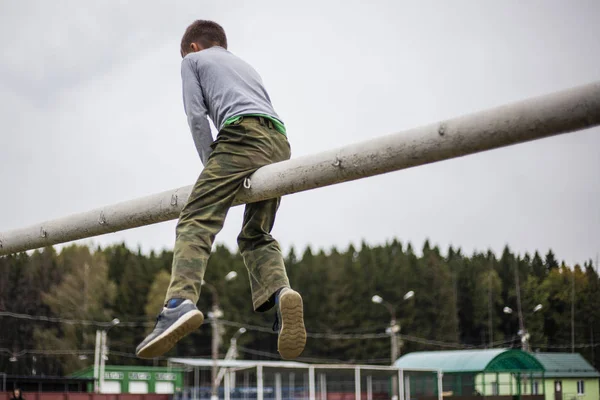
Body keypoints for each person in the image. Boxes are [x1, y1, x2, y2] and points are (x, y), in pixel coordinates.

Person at [136, 20, 306, 360]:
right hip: (279, 142)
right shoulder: (244, 66)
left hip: (240, 138)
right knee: (256, 235)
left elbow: (197, 116)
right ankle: (280, 293)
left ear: (194, 47)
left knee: (196, 219)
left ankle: (178, 303)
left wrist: (211, 164)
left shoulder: (192, 61)